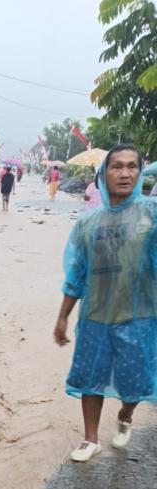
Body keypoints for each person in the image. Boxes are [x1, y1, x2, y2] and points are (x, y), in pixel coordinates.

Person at [54, 144, 157, 462]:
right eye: (116, 166)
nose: (124, 173)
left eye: (132, 166)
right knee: (90, 376)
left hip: (138, 314)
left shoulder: (151, 215)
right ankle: (90, 439)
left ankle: (125, 415)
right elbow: (77, 274)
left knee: (134, 382)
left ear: (140, 174)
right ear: (103, 174)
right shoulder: (87, 223)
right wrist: (63, 317)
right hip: (96, 315)